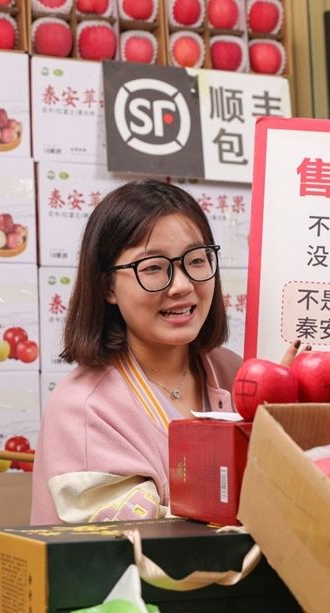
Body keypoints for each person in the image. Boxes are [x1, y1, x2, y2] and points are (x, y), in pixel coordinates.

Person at [30, 180, 242, 525]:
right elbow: (133, 542)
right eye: (153, 268)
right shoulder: (84, 407)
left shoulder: (234, 372)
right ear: (108, 287)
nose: (183, 285)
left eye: (196, 260)